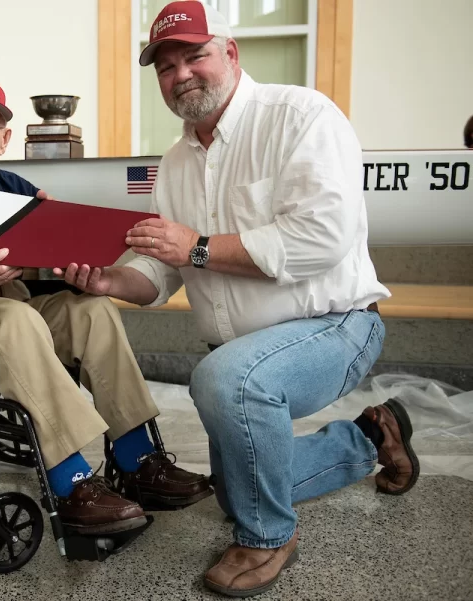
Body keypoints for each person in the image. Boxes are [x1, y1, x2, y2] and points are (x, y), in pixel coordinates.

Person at [55, 1, 419, 596]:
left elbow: (323, 238)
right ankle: (372, 438)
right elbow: (158, 269)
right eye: (165, 66)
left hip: (336, 325)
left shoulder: (301, 116)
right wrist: (109, 282)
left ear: (230, 53)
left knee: (224, 380)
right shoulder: (173, 163)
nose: (181, 75)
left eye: (195, 55)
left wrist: (196, 245)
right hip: (244, 351)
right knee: (233, 490)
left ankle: (270, 538)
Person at [0, 74, 212, 535]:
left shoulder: (17, 185)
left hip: (14, 303)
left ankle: (137, 459)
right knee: (17, 321)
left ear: (4, 139)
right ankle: (72, 480)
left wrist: (62, 238)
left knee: (92, 311)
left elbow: (44, 258)